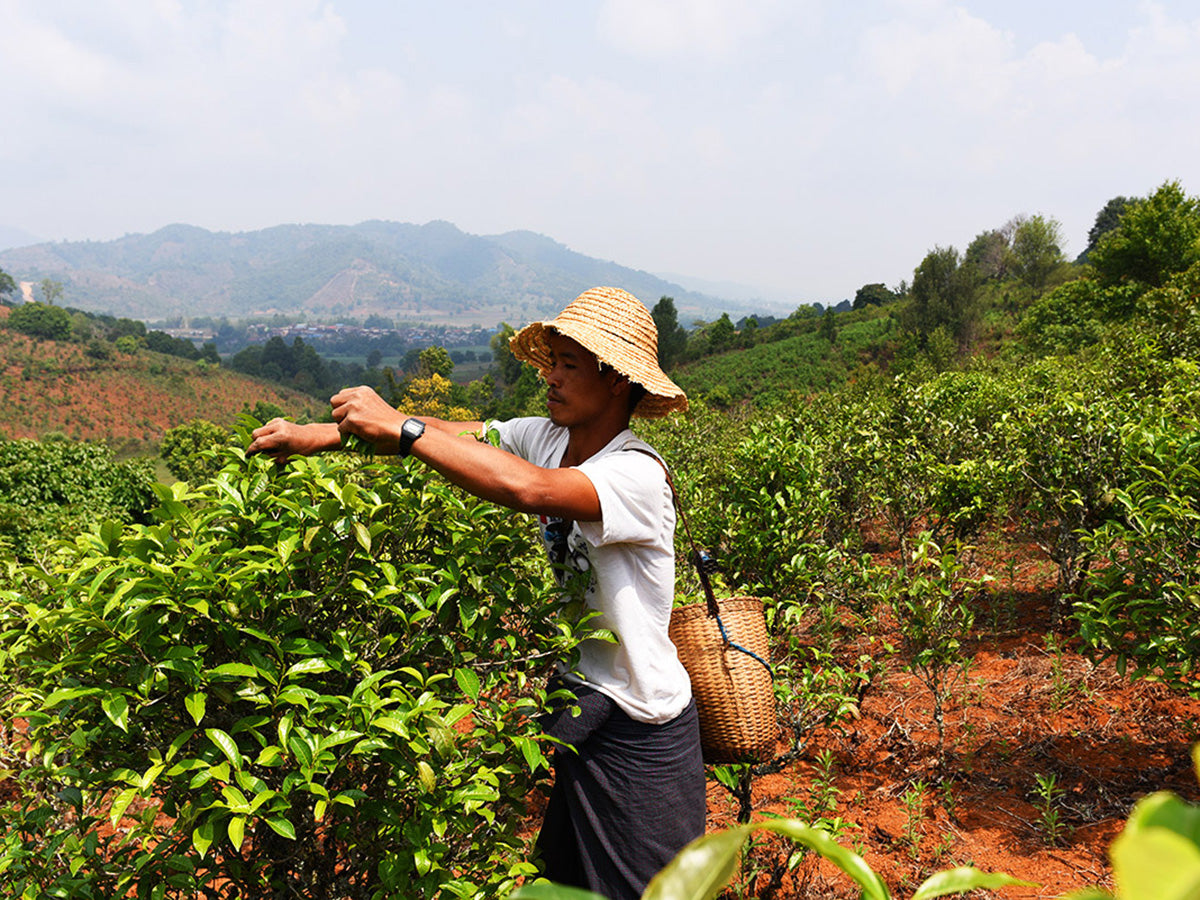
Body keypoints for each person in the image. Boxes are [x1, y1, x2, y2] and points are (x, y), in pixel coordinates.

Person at [247, 286, 705, 899]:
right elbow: (456, 434)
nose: (552, 378)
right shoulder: (549, 437)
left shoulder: (636, 473)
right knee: (565, 886)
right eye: (552, 362)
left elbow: (533, 491)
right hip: (581, 703)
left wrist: (402, 426)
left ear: (618, 380)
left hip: (640, 727)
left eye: (570, 366)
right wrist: (319, 435)